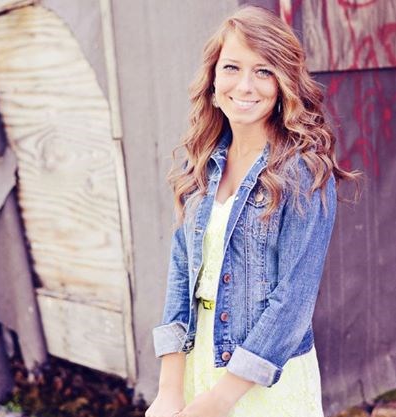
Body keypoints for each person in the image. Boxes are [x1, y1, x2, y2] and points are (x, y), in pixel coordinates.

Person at [146, 5, 360, 417]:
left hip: (263, 379)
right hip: (198, 364)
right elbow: (181, 270)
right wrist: (169, 388)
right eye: (232, 67)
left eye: (263, 71)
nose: (245, 85)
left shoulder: (302, 173)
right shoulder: (202, 164)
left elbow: (292, 303)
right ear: (213, 78)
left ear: (283, 84)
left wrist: (219, 400)